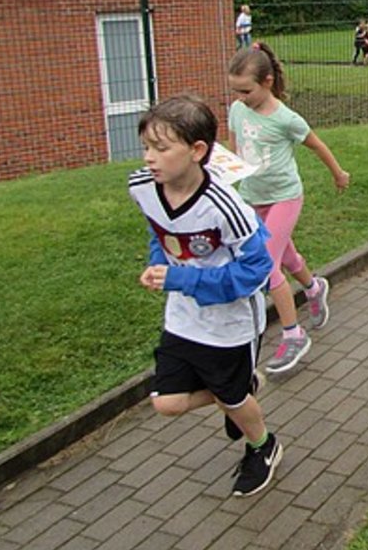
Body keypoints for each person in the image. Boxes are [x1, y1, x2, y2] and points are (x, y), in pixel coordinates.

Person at [128, 94, 282, 498]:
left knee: (233, 400)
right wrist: (157, 264)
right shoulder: (143, 186)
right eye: (146, 147)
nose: (150, 158)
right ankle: (239, 390)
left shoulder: (226, 207)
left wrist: (182, 279)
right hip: (182, 318)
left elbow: (255, 270)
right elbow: (160, 231)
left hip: (230, 323)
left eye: (161, 148)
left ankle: (262, 445)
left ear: (197, 151)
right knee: (167, 402)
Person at [228, 43, 351, 374]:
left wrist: (338, 174)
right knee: (287, 257)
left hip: (284, 197)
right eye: (236, 91)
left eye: (246, 91)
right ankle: (314, 287)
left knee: (265, 265)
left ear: (267, 82)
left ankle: (293, 335)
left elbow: (317, 145)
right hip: (252, 198)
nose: (240, 97)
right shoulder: (237, 110)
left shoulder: (286, 118)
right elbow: (235, 149)